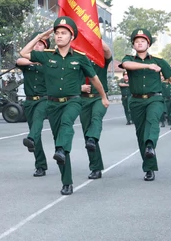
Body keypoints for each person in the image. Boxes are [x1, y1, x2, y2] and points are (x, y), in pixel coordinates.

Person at [19, 17, 109, 196]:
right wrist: (42, 36)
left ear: (72, 36)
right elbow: (23, 53)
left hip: (73, 101)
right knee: (59, 146)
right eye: (57, 33)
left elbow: (94, 79)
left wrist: (104, 96)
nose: (59, 36)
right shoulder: (46, 56)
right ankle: (66, 181)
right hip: (52, 104)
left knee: (67, 124)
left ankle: (61, 149)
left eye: (63, 33)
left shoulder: (80, 59)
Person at [120, 28, 171, 182]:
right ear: (133, 44)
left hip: (155, 98)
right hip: (136, 101)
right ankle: (149, 168)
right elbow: (126, 65)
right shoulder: (129, 59)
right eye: (137, 41)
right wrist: (148, 66)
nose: (140, 43)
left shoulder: (159, 61)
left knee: (153, 120)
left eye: (143, 41)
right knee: (140, 134)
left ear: (148, 44)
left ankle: (151, 145)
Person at [15, 36, 50, 177]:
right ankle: (40, 165)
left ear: (46, 47)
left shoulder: (50, 62)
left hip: (44, 99)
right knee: (36, 133)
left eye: (40, 44)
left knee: (37, 121)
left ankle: (31, 139)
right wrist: (35, 60)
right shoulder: (27, 62)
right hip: (29, 101)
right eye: (35, 44)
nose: (37, 46)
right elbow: (19, 60)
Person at [78, 40, 113, 180]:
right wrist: (80, 87)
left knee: (96, 117)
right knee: (87, 133)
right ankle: (96, 168)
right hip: (83, 99)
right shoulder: (77, 59)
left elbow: (107, 50)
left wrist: (92, 34)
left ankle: (93, 138)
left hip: (100, 97)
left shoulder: (100, 59)